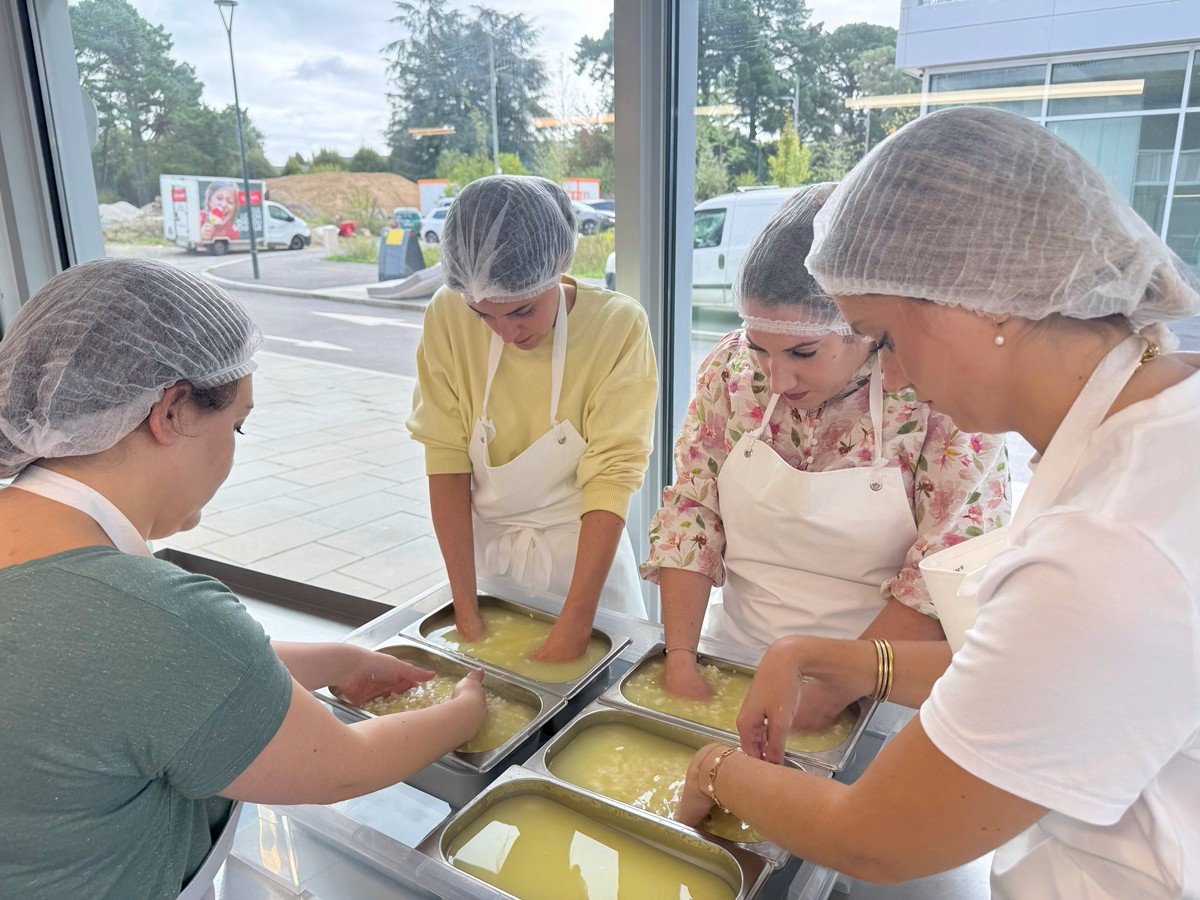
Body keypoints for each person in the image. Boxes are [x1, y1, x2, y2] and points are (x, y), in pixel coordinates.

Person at [674, 107, 1200, 899]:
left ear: (982, 303)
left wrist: (716, 769)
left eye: (880, 337)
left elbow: (878, 838)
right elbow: (1037, 664)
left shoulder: (1113, 544)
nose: (899, 372)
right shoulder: (1160, 425)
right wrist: (820, 656)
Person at [0, 259, 487, 900]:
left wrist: (337, 659)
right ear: (171, 410)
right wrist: (464, 714)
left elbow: (120, 678)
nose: (234, 448)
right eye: (237, 424)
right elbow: (341, 766)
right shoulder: (160, 618)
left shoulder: (50, 556)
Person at [641, 183, 1009, 725]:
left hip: (879, 685)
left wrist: (825, 697)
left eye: (803, 352)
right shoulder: (731, 374)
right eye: (758, 347)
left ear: (866, 327)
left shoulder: (937, 397)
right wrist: (681, 661)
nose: (776, 376)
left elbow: (944, 573)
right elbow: (692, 512)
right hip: (735, 659)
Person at [408, 176, 657, 662]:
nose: (505, 332)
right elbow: (446, 460)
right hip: (489, 567)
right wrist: (465, 608)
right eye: (485, 316)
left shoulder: (617, 326)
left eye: (522, 310)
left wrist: (574, 626)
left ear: (559, 267)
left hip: (587, 571)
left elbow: (612, 475)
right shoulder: (447, 316)